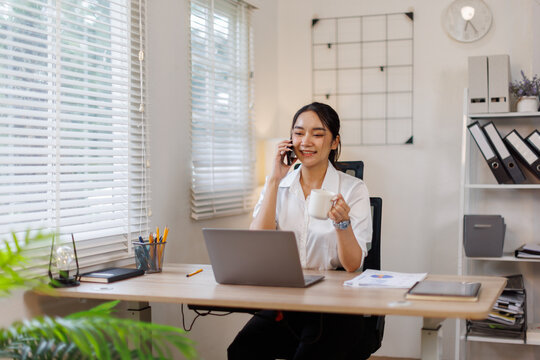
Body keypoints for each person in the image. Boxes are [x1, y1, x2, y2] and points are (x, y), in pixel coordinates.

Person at [227, 102, 381, 360]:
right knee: (241, 350)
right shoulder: (279, 185)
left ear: (334, 142)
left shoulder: (353, 190)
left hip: (335, 306)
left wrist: (342, 224)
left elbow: (353, 265)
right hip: (287, 302)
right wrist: (275, 180)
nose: (306, 141)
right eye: (298, 133)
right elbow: (257, 242)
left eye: (317, 134)